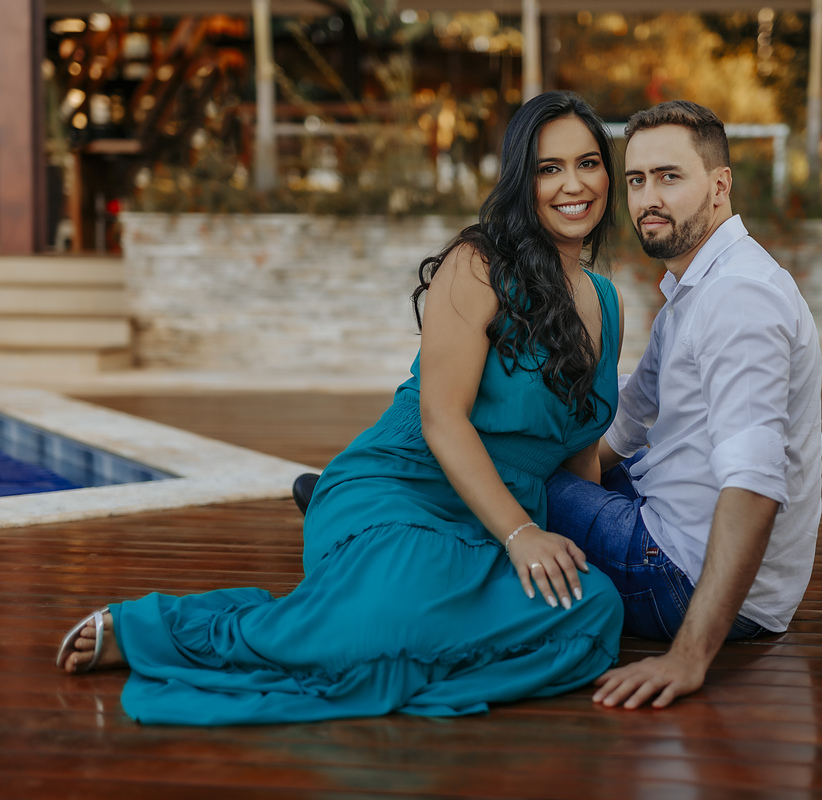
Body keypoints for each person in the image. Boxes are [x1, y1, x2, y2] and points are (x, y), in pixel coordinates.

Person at [54, 91, 626, 725]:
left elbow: (579, 455)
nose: (573, 184)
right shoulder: (478, 265)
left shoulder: (606, 302)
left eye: (588, 162)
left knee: (593, 613)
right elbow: (442, 419)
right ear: (523, 179)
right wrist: (522, 537)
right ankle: (173, 628)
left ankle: (391, 656)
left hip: (497, 523)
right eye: (549, 168)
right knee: (387, 616)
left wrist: (571, 541)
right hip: (407, 489)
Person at [545, 100, 822, 710]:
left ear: (719, 185)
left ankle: (384, 505)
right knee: (522, 470)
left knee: (509, 487)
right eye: (638, 180)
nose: (648, 198)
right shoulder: (696, 289)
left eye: (669, 177)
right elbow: (628, 422)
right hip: (674, 530)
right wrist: (579, 479)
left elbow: (755, 482)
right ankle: (387, 492)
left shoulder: (737, 300)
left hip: (685, 578)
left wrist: (690, 654)